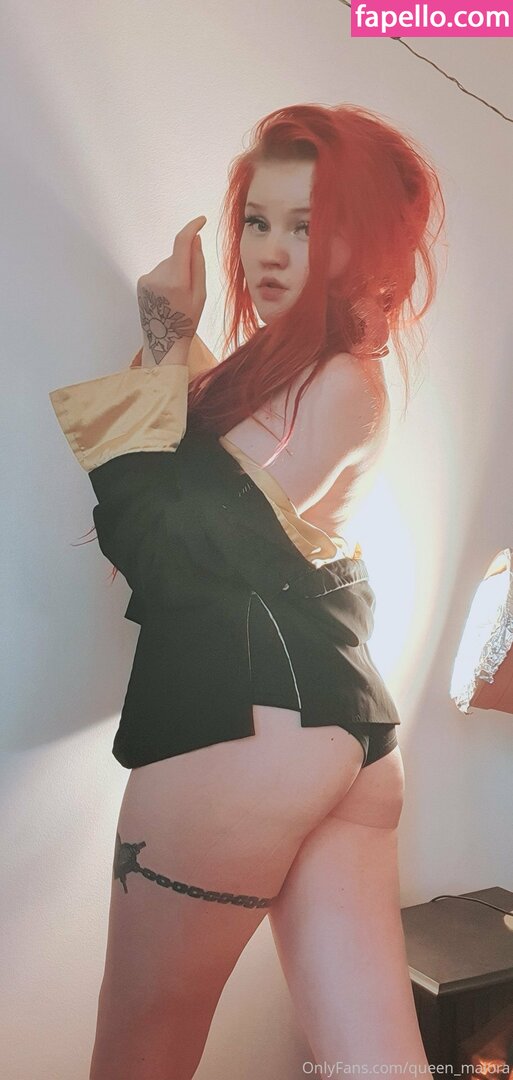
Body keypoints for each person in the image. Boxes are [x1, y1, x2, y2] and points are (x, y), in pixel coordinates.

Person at [49, 103, 445, 1079]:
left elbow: (175, 558)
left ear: (366, 244)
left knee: (137, 1058)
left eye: (306, 225)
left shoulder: (337, 384)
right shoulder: (296, 375)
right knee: (374, 1065)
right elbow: (220, 508)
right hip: (339, 737)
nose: (268, 250)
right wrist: (173, 344)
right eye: (258, 221)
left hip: (246, 727)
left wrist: (160, 341)